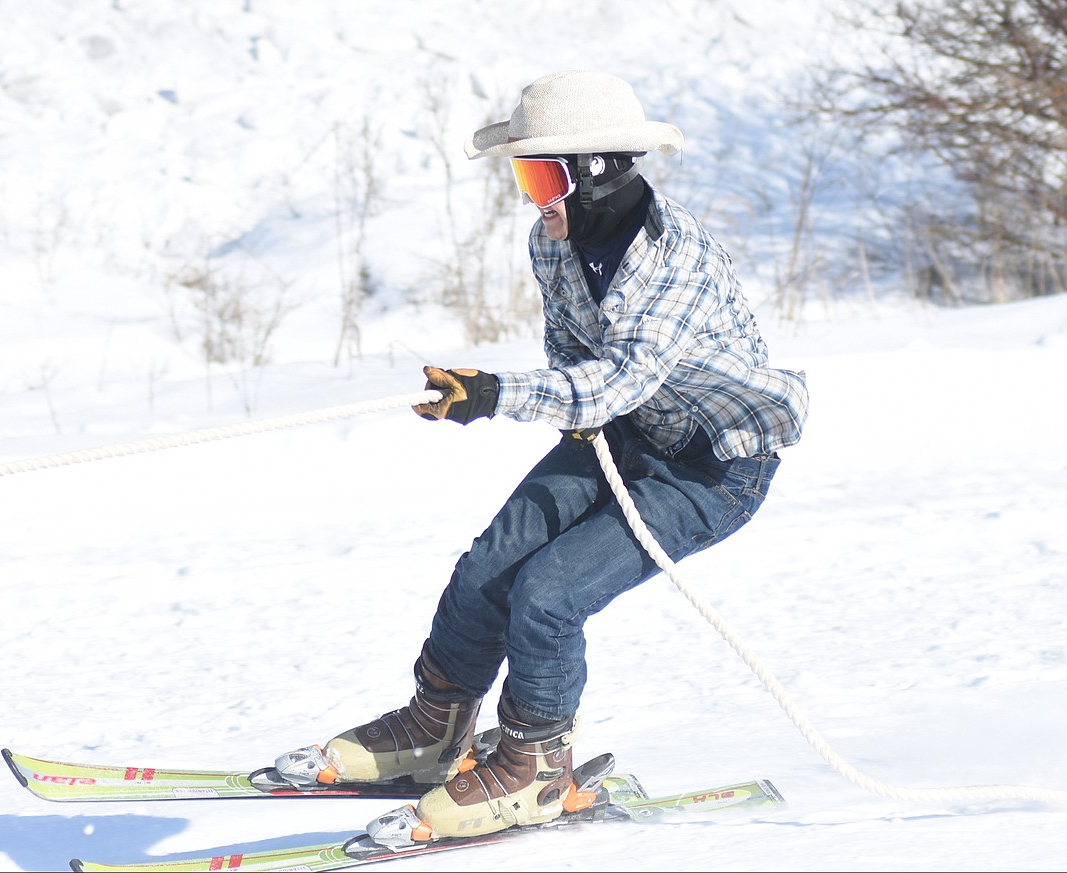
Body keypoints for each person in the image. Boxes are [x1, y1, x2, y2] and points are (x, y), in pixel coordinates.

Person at [274, 69, 808, 846]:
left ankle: (534, 766)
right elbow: (569, 353)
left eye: (540, 177)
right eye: (525, 177)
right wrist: (532, 402)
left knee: (549, 595)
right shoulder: (551, 243)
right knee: (489, 565)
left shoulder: (672, 261)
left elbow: (612, 380)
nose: (531, 199)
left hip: (711, 468)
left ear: (598, 172)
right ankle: (434, 729)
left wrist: (493, 394)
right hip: (616, 434)